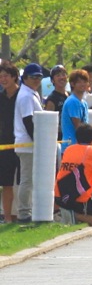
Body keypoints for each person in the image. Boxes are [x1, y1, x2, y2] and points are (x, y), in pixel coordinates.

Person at [54, 123, 92, 226]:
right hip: (78, 197)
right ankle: (73, 215)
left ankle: (63, 214)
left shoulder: (69, 149)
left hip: (60, 194)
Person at [14, 63, 44, 223]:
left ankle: (28, 209)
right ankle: (24, 213)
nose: (37, 79)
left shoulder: (31, 93)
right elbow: (28, 121)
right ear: (25, 78)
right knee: (27, 179)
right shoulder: (25, 95)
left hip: (30, 144)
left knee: (30, 179)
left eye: (39, 77)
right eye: (33, 77)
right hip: (27, 144)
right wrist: (37, 141)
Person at [0, 61, 20, 223]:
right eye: (0, 77)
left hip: (21, 143)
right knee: (6, 182)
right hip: (3, 144)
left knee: (21, 181)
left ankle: (20, 214)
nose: (3, 79)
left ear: (14, 77)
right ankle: (6, 217)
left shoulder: (24, 96)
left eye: (6, 76)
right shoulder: (1, 98)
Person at [60, 70, 90, 154]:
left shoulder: (83, 103)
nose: (83, 84)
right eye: (79, 82)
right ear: (72, 84)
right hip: (71, 146)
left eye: (85, 81)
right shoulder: (72, 101)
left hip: (80, 146)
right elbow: (78, 126)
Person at [44, 65, 68, 140]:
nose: (61, 77)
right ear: (52, 80)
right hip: (59, 138)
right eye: (58, 75)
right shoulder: (52, 99)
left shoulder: (70, 95)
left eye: (63, 74)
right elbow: (49, 123)